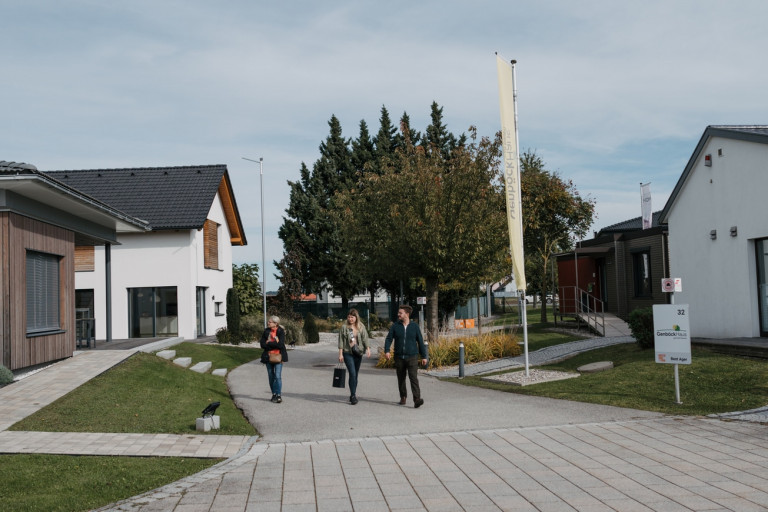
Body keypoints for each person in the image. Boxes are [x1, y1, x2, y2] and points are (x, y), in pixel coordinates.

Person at [384, 305, 428, 408]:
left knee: (413, 378)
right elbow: (389, 339)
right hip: (399, 357)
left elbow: (420, 342)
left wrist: (424, 356)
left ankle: (417, 399)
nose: (398, 314)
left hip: (412, 356)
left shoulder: (414, 326)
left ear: (407, 314)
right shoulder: (395, 326)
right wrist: (387, 351)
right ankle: (403, 396)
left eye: (400, 313)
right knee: (401, 378)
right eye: (398, 313)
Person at [338, 308, 371, 405]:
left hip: (358, 352)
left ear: (356, 317)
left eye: (352, 317)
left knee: (355, 374)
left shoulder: (361, 327)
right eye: (348, 317)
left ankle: (353, 392)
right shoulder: (344, 327)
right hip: (348, 352)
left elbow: (365, 338)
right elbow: (341, 341)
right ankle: (353, 396)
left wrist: (368, 349)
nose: (350, 319)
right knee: (352, 373)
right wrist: (340, 354)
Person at [259, 315, 288, 403]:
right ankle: (274, 394)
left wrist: (269, 343)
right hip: (268, 357)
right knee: (271, 377)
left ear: (275, 323)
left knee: (277, 377)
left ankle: (278, 395)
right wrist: (272, 343)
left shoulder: (280, 331)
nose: (268, 323)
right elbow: (262, 344)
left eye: (270, 322)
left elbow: (280, 345)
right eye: (268, 321)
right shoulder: (266, 331)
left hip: (278, 357)